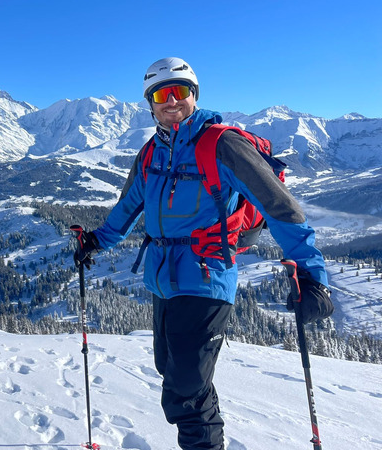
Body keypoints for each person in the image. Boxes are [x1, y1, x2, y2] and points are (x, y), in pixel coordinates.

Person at [71, 57, 333, 450]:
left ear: (194, 96)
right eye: (161, 93)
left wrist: (314, 276)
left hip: (207, 279)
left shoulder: (223, 145)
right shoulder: (151, 153)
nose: (171, 100)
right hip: (163, 280)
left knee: (185, 389)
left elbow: (279, 208)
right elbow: (129, 206)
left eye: (181, 91)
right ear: (150, 103)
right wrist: (97, 241)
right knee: (174, 374)